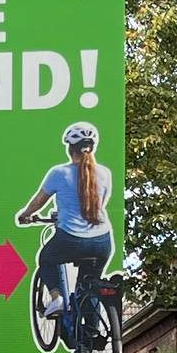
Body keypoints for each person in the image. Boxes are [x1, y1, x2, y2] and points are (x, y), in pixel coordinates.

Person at [15, 120, 117, 328]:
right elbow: (99, 204)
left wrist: (24, 215)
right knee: (89, 285)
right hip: (102, 241)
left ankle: (56, 299)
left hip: (71, 239)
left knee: (46, 258)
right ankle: (91, 333)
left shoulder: (59, 173)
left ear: (70, 148)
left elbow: (38, 202)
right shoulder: (105, 173)